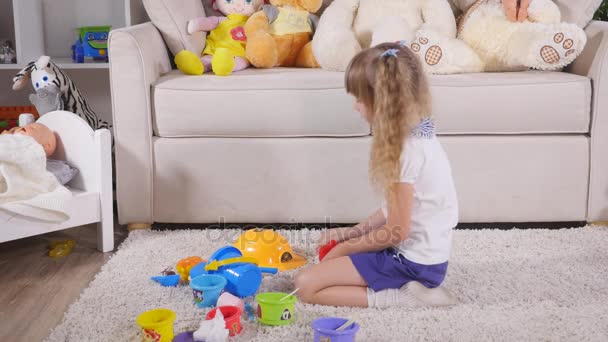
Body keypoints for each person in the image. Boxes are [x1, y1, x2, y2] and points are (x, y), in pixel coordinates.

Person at [295, 43, 459, 308]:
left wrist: (346, 248)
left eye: (359, 99)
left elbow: (396, 231)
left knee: (306, 285)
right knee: (328, 263)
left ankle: (404, 298)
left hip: (412, 265)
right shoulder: (421, 131)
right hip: (426, 258)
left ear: (382, 104)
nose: (356, 108)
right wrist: (352, 232)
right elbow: (390, 211)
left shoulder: (405, 152)